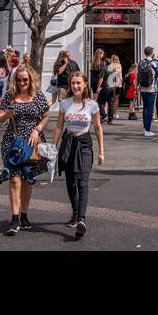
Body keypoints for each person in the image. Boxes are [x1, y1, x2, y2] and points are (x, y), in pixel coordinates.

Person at [0, 65, 52, 236]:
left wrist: (37, 129)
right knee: (14, 179)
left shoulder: (38, 96)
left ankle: (24, 215)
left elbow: (47, 116)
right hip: (13, 143)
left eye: (25, 80)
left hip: (31, 142)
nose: (22, 83)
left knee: (27, 179)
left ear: (31, 79)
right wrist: (6, 115)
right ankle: (14, 219)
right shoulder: (10, 95)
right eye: (19, 80)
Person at [53, 70, 104, 239]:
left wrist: (102, 151)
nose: (75, 86)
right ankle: (75, 213)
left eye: (78, 83)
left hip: (84, 144)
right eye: (73, 83)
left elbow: (98, 128)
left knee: (82, 181)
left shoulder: (92, 105)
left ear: (85, 85)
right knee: (70, 181)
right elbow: (59, 126)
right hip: (68, 143)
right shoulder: (65, 103)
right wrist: (53, 147)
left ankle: (82, 219)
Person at [136, 46, 158, 137]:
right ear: (152, 53)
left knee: (145, 108)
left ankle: (145, 128)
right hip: (151, 89)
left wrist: (136, 87)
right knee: (149, 109)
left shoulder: (140, 63)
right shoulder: (155, 63)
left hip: (142, 88)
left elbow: (137, 76)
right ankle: (147, 130)